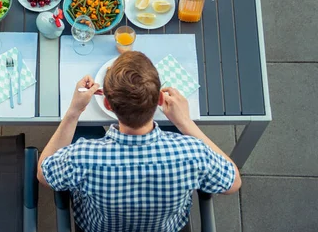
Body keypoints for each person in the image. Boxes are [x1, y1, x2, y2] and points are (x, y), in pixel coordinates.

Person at [38, 51, 241, 232]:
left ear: (107, 104)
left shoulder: (82, 156)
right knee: (175, 128)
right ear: (160, 100)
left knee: (84, 129)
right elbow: (234, 183)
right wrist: (186, 123)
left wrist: (74, 112)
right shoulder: (193, 153)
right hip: (167, 227)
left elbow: (43, 175)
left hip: (97, 226)